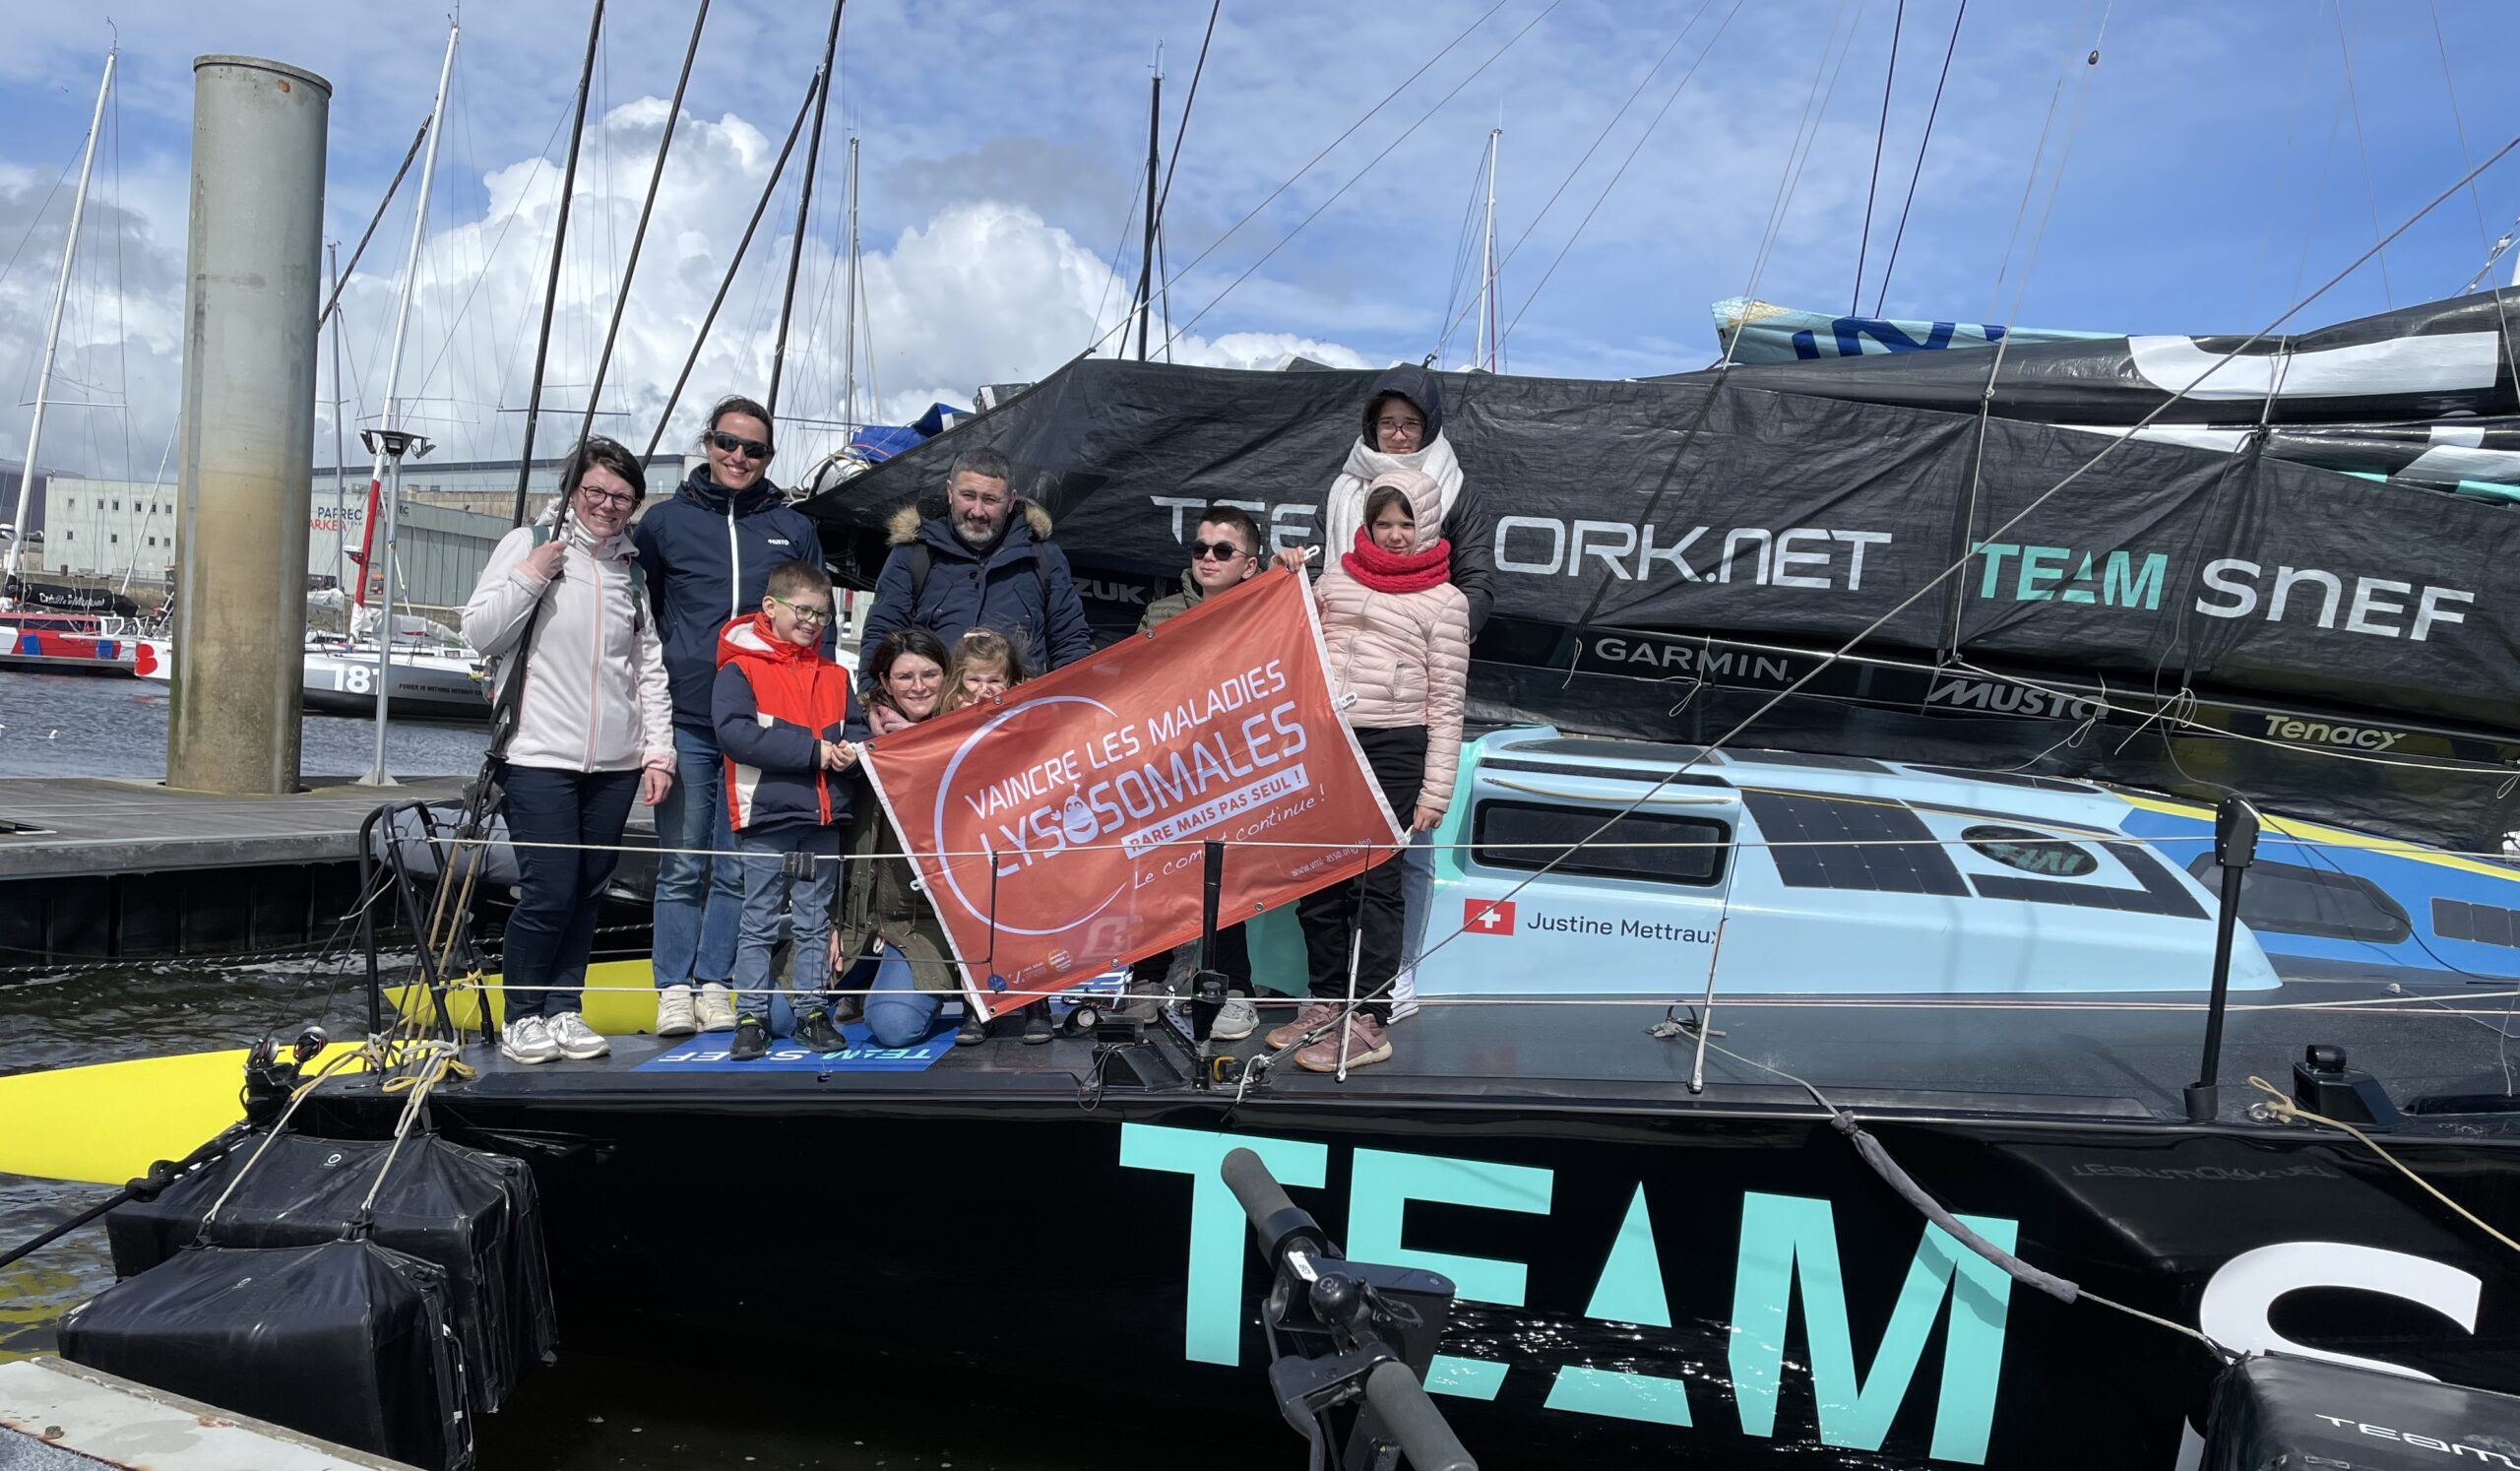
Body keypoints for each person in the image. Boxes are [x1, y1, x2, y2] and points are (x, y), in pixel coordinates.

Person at [461, 437, 674, 1066]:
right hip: (537, 754)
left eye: (622, 497)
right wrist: (533, 576)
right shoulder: (528, 545)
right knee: (549, 889)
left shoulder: (630, 571)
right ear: (573, 489)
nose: (608, 505)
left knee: (587, 890)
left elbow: (647, 667)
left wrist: (657, 752)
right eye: (596, 492)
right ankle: (523, 1014)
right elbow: (480, 633)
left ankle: (563, 1008)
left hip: (614, 763)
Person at [631, 395, 825, 1040]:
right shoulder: (664, 525)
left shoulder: (792, 530)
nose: (739, 457)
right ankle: (673, 989)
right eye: (727, 443)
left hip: (758, 725)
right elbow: (649, 617)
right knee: (684, 860)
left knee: (735, 862)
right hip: (689, 716)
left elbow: (810, 627)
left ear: (768, 457)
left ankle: (718, 982)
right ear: (708, 444)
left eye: (754, 449)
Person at [1269, 471, 1470, 1072]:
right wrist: (1284, 578)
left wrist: (1436, 790)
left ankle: (1369, 1018)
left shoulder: (1447, 602)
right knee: (1318, 879)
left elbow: (1447, 704)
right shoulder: (1334, 576)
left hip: (1397, 745)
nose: (1396, 535)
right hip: (1328, 739)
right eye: (1384, 523)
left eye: (1407, 522)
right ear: (1367, 524)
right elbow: (1295, 628)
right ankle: (1326, 1002)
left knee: (1375, 885)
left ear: (1428, 522)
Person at [1319, 365, 1496, 1027]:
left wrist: (1419, 638)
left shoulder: (1456, 490)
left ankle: (1393, 978)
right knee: (1329, 860)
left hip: (1406, 697)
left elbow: (1476, 579)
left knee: (1400, 859)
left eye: (1410, 424)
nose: (1397, 435)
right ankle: (1327, 992)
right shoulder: (1342, 487)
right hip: (1343, 702)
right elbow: (1320, 582)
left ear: (1429, 427)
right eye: (1387, 423)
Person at [834, 628, 1024, 1048]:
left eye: (930, 674)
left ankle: (888, 984)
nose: (918, 686)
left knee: (894, 1028)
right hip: (857, 919)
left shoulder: (967, 739)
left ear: (947, 676)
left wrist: (911, 742)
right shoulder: (861, 732)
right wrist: (827, 923)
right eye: (904, 677)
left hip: (921, 923)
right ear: (885, 682)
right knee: (776, 1012)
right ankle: (860, 977)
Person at [713, 559, 868, 1061]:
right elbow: (736, 735)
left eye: (822, 615)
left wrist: (852, 752)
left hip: (823, 818)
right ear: (771, 607)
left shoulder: (834, 673)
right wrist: (816, 753)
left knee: (814, 922)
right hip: (768, 816)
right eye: (804, 611)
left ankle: (812, 1011)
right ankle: (751, 1016)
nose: (813, 622)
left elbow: (857, 729)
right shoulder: (739, 667)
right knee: (757, 920)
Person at [1127, 503, 1260, 1040]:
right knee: (1158, 872)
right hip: (1170, 768)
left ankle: (1236, 989)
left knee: (1228, 880)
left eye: (1222, 550)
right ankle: (1145, 979)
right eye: (1200, 548)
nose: (1208, 557)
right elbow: (1131, 684)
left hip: (1235, 767)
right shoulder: (1160, 614)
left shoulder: (1266, 607)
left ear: (1249, 564)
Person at [859, 447, 1090, 721]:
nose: (977, 511)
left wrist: (1079, 711)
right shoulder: (912, 555)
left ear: (1011, 499)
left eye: (990, 499)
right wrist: (873, 701)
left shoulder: (1044, 558)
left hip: (1023, 726)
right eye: (968, 496)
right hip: (932, 727)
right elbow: (882, 637)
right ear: (949, 491)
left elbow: (1070, 643)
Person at [937, 627, 1029, 714]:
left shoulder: (1023, 705)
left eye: (994, 681)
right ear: (959, 679)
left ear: (1009, 680)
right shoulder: (947, 706)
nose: (984, 689)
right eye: (974, 680)